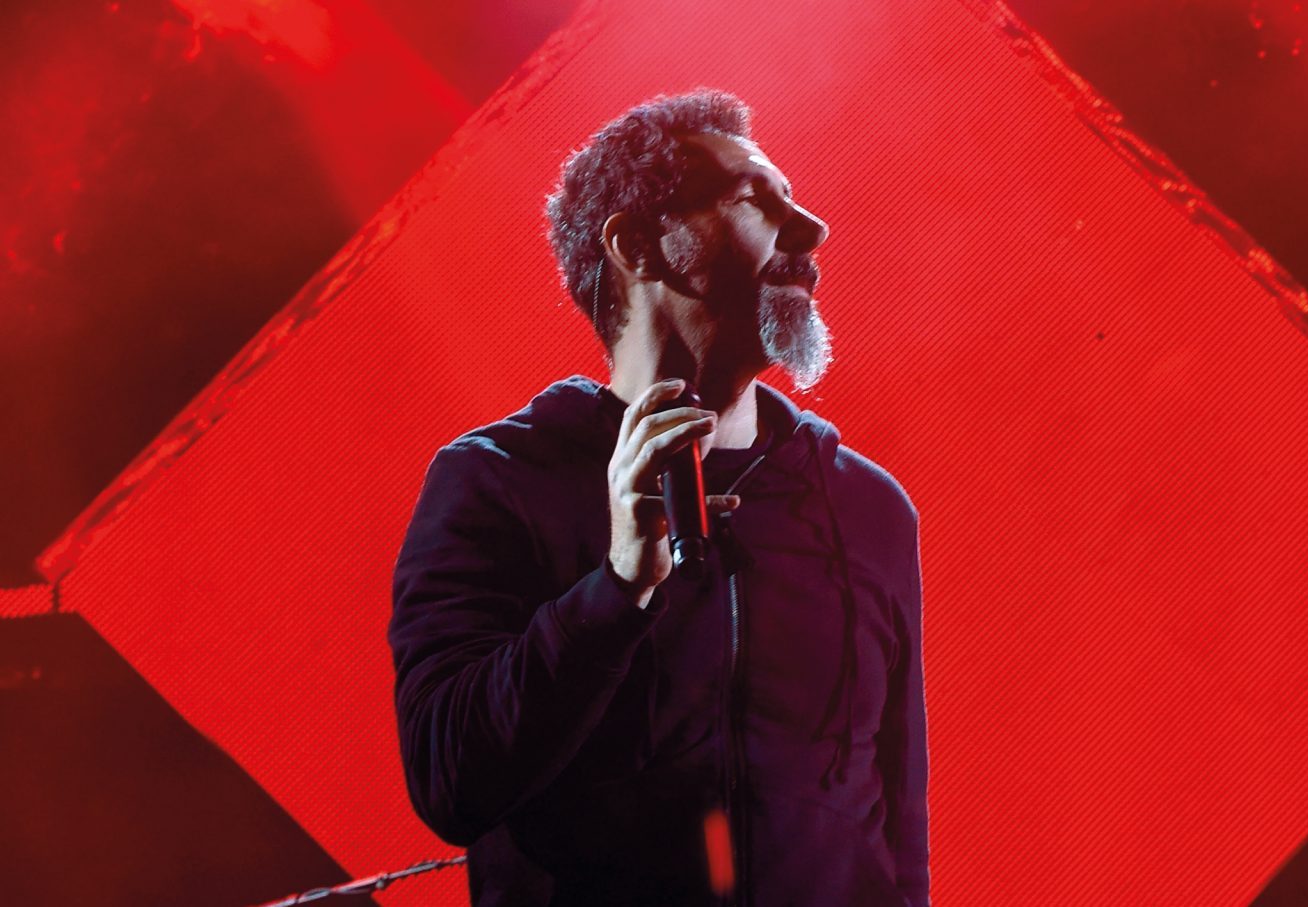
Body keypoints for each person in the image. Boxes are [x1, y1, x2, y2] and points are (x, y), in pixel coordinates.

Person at [389, 89, 928, 907]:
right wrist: (615, 589)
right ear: (640, 245)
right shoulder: (495, 481)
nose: (812, 229)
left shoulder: (867, 509)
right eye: (756, 200)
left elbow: (899, 827)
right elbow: (449, 779)